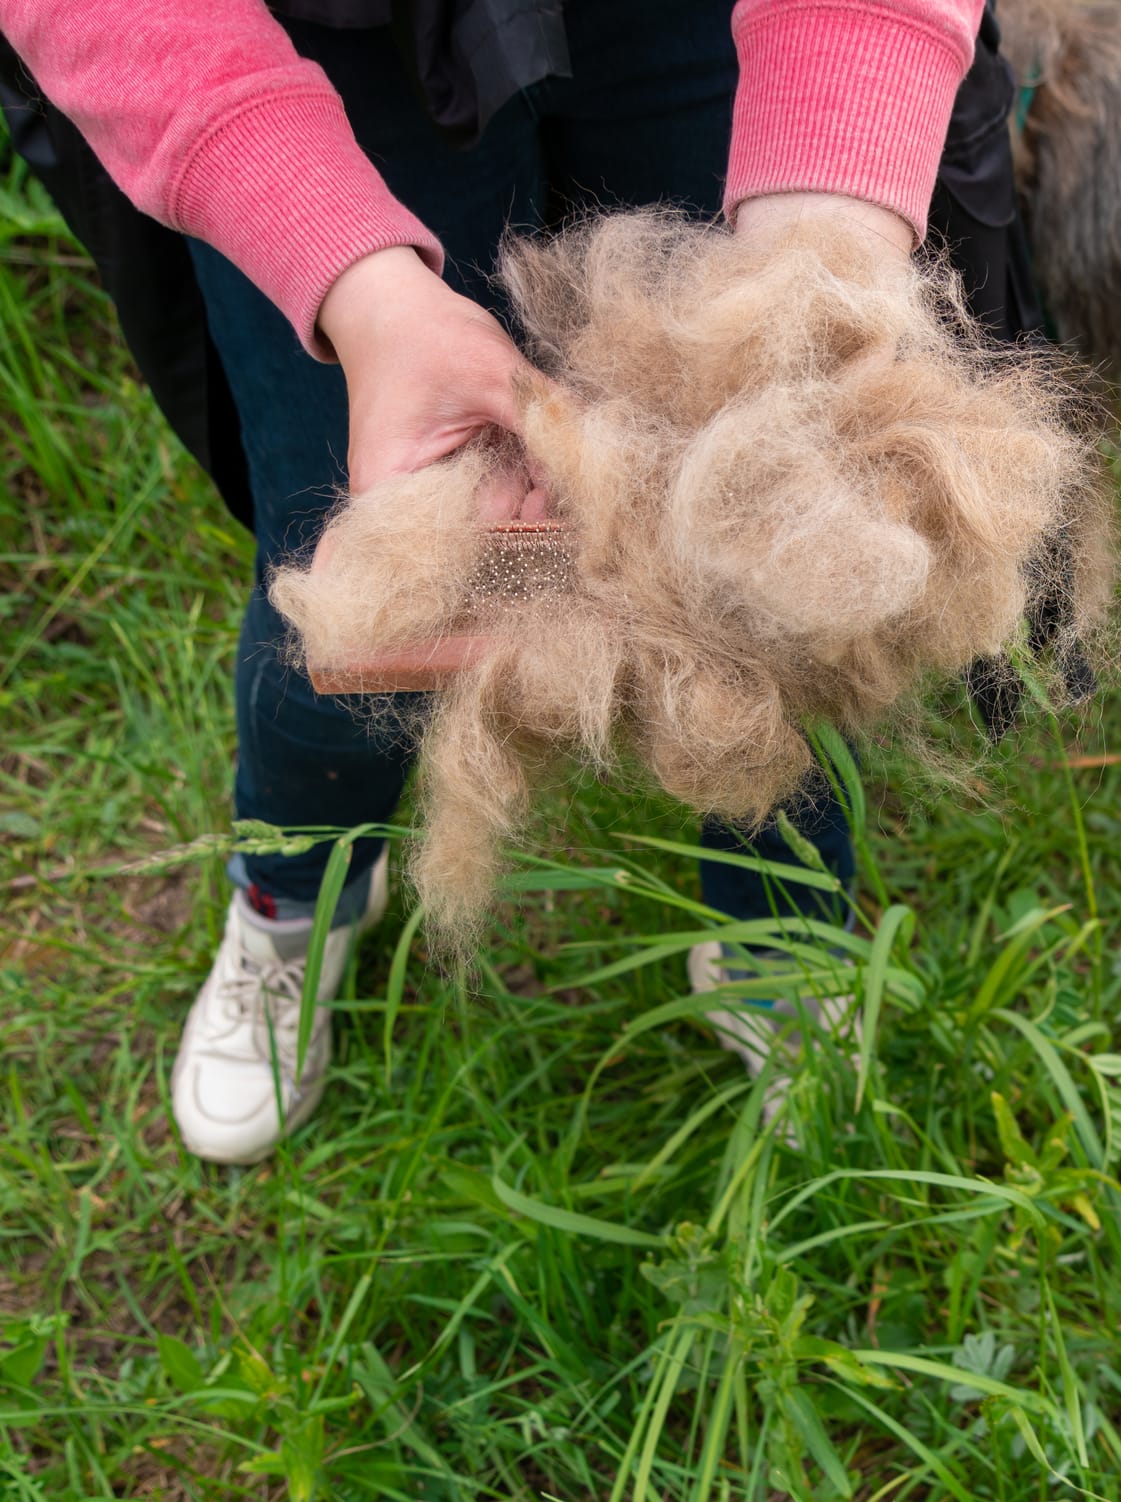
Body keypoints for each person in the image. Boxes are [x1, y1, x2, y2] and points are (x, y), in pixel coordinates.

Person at [0, 0, 1042, 1164]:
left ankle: (777, 937)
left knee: (788, 562)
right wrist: (358, 282)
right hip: (312, 37)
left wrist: (823, 244)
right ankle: (290, 899)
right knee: (353, 583)